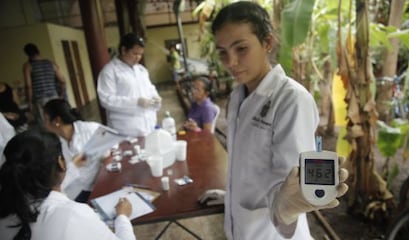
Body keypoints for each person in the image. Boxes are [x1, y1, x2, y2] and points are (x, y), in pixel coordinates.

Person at [198, 2, 349, 239]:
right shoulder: (238, 96)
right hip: (240, 228)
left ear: (267, 43)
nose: (231, 62)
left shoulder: (291, 100)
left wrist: (285, 206)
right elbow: (246, 165)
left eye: (241, 49)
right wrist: (231, 195)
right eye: (223, 53)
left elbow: (290, 182)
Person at [0, 129, 135, 240]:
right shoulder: (72, 214)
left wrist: (73, 166)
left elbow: (44, 188)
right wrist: (122, 217)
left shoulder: (6, 211)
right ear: (60, 162)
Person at [98, 33, 162, 137]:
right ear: (123, 50)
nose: (138, 57)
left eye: (140, 54)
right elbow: (106, 100)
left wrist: (156, 98)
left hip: (148, 126)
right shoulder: (110, 71)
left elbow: (150, 89)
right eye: (135, 53)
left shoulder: (141, 70)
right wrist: (136, 102)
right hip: (126, 130)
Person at [43, 98, 103, 203]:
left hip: (99, 184)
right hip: (78, 190)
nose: (45, 125)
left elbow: (112, 145)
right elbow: (62, 177)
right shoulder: (57, 143)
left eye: (46, 119)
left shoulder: (89, 129)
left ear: (57, 121)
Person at [22, 43, 66, 125]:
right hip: (54, 96)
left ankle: (50, 137)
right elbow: (62, 81)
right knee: (58, 120)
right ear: (38, 51)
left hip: (40, 99)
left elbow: (28, 86)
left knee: (46, 123)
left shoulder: (28, 66)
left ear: (27, 54)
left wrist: (29, 102)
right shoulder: (51, 63)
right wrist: (61, 95)